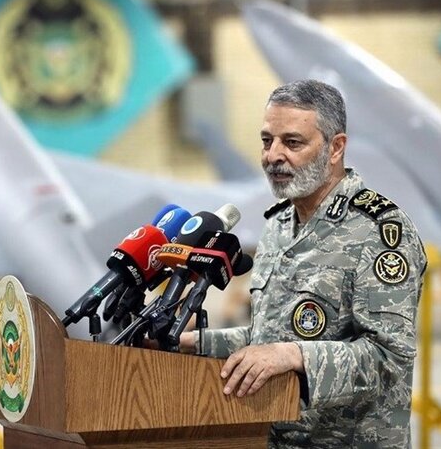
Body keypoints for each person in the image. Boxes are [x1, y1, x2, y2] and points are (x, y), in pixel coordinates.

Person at [180, 79, 427, 448]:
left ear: (335, 147)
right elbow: (268, 341)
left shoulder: (378, 232)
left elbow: (388, 358)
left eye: (292, 143)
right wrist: (194, 345)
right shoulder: (279, 224)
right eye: (267, 141)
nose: (273, 155)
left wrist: (293, 355)